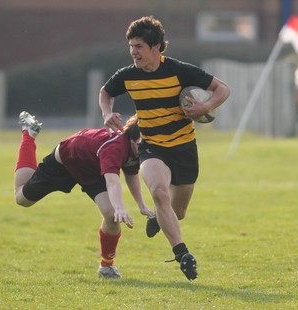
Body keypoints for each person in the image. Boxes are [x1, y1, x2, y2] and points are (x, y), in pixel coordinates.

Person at [99, 16, 230, 281]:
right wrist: (106, 113)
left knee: (177, 212)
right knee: (159, 193)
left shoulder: (180, 70)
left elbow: (222, 89)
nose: (133, 52)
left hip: (183, 148)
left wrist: (206, 106)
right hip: (152, 147)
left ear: (156, 47)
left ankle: (159, 219)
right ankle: (183, 254)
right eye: (131, 46)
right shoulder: (128, 76)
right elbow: (105, 92)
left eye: (139, 46)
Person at [14, 111, 153, 279]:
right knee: (22, 198)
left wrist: (142, 205)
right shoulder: (116, 147)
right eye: (142, 144)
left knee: (111, 216)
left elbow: (131, 175)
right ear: (132, 139)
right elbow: (112, 182)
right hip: (66, 160)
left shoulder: (137, 148)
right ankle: (29, 134)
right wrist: (120, 207)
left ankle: (106, 267)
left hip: (93, 170)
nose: (146, 149)